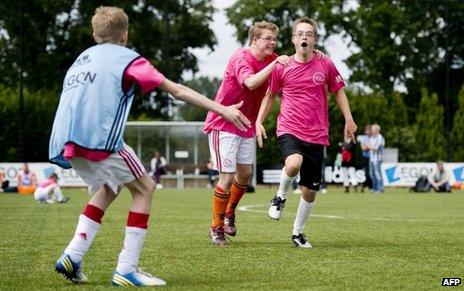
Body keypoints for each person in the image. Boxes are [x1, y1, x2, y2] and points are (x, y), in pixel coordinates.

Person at [49, 6, 250, 287]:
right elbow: (177, 90)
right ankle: (126, 269)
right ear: (125, 35)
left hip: (66, 140)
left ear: (95, 34)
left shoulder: (82, 59)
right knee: (145, 187)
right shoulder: (127, 59)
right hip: (100, 140)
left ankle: (72, 254)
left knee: (110, 188)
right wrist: (223, 110)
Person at [256, 17, 357, 248]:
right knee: (293, 163)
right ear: (293, 39)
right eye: (300, 33)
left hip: (318, 133)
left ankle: (298, 233)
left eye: (309, 34)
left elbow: (339, 91)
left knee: (310, 191)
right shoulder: (282, 66)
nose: (304, 37)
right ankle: (280, 196)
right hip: (290, 128)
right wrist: (259, 121)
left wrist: (349, 120)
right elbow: (270, 95)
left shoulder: (325, 64)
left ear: (315, 40)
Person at [203, 20, 292, 246]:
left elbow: (295, 64)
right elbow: (250, 83)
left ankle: (229, 214)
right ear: (254, 40)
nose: (273, 42)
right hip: (223, 123)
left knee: (245, 174)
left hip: (245, 125)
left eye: (274, 39)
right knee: (227, 177)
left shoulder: (272, 59)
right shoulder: (240, 57)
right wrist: (274, 65)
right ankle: (216, 227)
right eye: (267, 39)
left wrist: (315, 54)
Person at [368, 124, 384, 194]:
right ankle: (374, 188)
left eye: (372, 129)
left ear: (376, 130)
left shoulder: (380, 137)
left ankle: (380, 189)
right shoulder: (371, 137)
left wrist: (368, 146)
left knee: (377, 174)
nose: (371, 130)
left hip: (377, 158)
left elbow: (375, 148)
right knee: (372, 174)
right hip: (371, 158)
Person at [357, 125, 372, 192]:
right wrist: (371, 147)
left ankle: (369, 186)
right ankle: (365, 186)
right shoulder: (364, 138)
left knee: (372, 173)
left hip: (373, 158)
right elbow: (363, 148)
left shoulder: (374, 138)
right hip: (366, 158)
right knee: (367, 173)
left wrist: (368, 147)